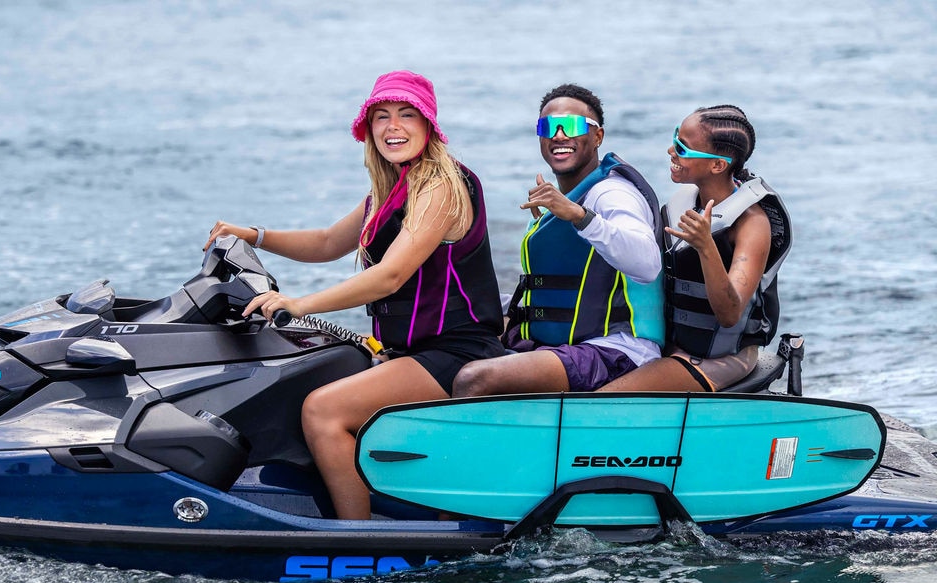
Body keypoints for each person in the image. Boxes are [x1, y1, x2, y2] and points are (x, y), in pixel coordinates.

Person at [206, 70, 503, 520]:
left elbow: (391, 275)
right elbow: (327, 242)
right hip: (410, 352)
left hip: (458, 352)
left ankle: (355, 540)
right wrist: (254, 235)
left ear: (428, 125)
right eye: (381, 116)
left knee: (323, 410)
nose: (392, 126)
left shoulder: (442, 186)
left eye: (406, 114)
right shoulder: (389, 191)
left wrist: (299, 304)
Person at [452, 84, 664, 397]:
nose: (560, 135)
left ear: (598, 137)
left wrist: (579, 216)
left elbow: (647, 264)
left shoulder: (612, 193)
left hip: (615, 351)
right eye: (548, 126)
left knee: (474, 378)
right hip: (565, 346)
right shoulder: (563, 199)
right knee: (450, 351)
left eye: (574, 126)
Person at [599, 105, 790, 392]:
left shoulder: (752, 224)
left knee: (604, 399)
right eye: (675, 138)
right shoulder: (685, 201)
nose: (670, 151)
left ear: (717, 165)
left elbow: (729, 314)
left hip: (721, 358)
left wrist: (706, 246)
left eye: (682, 148)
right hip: (670, 344)